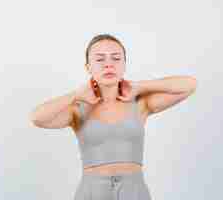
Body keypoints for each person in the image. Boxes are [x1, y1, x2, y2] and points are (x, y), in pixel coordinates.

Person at [29, 33, 197, 200]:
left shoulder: (140, 104)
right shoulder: (76, 109)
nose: (108, 65)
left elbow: (189, 85)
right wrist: (75, 95)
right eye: (100, 59)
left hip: (134, 191)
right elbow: (37, 117)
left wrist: (140, 86)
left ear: (124, 65)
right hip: (92, 192)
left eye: (116, 58)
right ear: (88, 67)